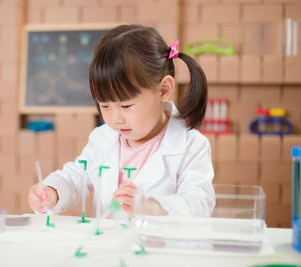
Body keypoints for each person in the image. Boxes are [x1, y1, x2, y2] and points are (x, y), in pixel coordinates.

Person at [28, 24, 215, 217]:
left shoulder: (191, 145)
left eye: (126, 106)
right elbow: (77, 176)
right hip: (108, 245)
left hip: (158, 245)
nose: (116, 118)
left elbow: (199, 203)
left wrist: (151, 208)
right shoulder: (102, 138)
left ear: (164, 90)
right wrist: (52, 192)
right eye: (105, 106)